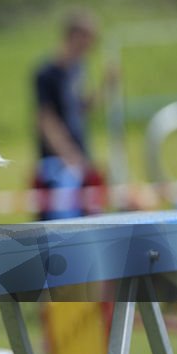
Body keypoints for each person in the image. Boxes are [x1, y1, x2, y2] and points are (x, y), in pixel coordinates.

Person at [33, 12, 109, 220]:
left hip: (79, 158)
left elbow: (79, 109)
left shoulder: (77, 70)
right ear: (73, 36)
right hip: (58, 163)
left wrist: (104, 88)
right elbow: (46, 120)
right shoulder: (46, 74)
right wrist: (69, 155)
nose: (90, 46)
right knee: (64, 221)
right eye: (87, 38)